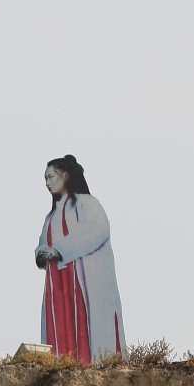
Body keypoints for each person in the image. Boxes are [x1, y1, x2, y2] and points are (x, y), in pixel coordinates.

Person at [34, 154, 124, 364]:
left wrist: (60, 249)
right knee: (61, 324)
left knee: (88, 323)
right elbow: (42, 241)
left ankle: (92, 364)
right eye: (45, 179)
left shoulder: (88, 204)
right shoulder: (51, 216)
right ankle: (63, 364)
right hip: (58, 283)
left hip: (85, 280)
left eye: (51, 177)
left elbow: (97, 230)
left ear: (65, 176)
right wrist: (41, 252)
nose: (47, 183)